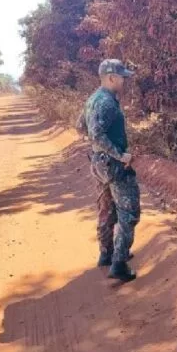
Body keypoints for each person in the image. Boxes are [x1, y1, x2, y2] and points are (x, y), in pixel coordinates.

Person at [76, 59, 140, 282]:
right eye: (122, 77)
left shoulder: (93, 99)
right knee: (128, 212)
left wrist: (98, 152)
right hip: (113, 164)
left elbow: (80, 127)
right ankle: (119, 263)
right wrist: (119, 155)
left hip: (98, 163)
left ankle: (106, 254)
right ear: (111, 77)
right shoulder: (106, 103)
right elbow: (96, 134)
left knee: (105, 206)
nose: (125, 80)